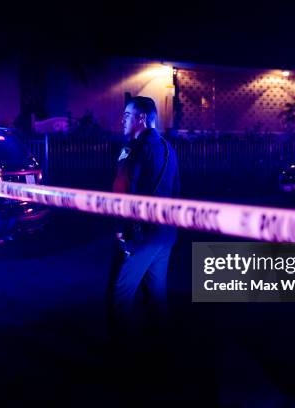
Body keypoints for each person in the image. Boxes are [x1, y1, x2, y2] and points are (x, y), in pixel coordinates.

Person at [109, 96, 180, 341]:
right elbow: (176, 190)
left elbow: (122, 190)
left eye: (127, 115)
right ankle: (162, 348)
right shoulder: (169, 149)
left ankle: (123, 353)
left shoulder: (133, 149)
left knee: (120, 294)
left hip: (140, 234)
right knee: (157, 294)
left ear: (141, 118)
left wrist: (120, 228)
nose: (123, 120)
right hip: (166, 233)